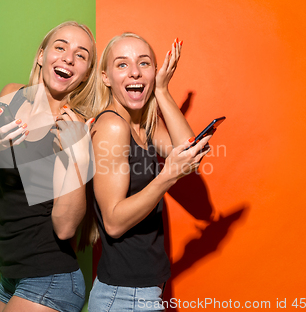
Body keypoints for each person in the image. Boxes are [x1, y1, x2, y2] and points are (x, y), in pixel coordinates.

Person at [0, 21, 97, 312]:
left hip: (50, 277)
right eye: (60, 47)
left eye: (81, 55)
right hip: (9, 273)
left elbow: (65, 228)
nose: (68, 57)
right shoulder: (12, 96)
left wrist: (78, 156)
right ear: (41, 56)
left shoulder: (75, 124)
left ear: (86, 74)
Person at [87, 33, 212, 311]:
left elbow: (191, 153)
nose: (134, 71)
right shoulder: (112, 126)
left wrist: (162, 91)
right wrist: (167, 176)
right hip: (123, 296)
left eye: (144, 63)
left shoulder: (144, 125)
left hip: (141, 291)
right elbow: (114, 222)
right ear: (105, 77)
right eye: (122, 65)